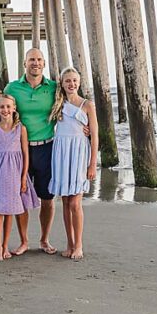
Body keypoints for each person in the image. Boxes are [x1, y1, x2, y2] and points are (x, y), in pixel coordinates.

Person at [3, 48, 60, 255]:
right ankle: (24, 241)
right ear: (24, 63)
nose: (35, 63)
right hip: (20, 150)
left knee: (47, 197)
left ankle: (44, 240)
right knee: (21, 195)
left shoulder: (54, 87)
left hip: (47, 148)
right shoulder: (13, 87)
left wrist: (85, 127)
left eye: (38, 60)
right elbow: (1, 109)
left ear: (44, 64)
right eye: (31, 60)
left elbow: (72, 107)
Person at [0, 94, 39, 260]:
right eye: (2, 107)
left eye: (8, 106)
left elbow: (26, 155)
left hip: (15, 174)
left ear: (14, 108)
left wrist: (24, 177)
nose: (5, 110)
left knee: (10, 211)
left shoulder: (21, 129)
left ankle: (5, 246)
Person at [48, 67, 98, 261]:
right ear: (62, 83)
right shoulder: (57, 104)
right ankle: (69, 243)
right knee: (66, 202)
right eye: (67, 80)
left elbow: (94, 136)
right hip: (61, 153)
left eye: (74, 80)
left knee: (76, 202)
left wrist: (92, 164)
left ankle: (79, 245)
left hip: (78, 154)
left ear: (79, 82)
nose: (71, 84)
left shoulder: (87, 105)